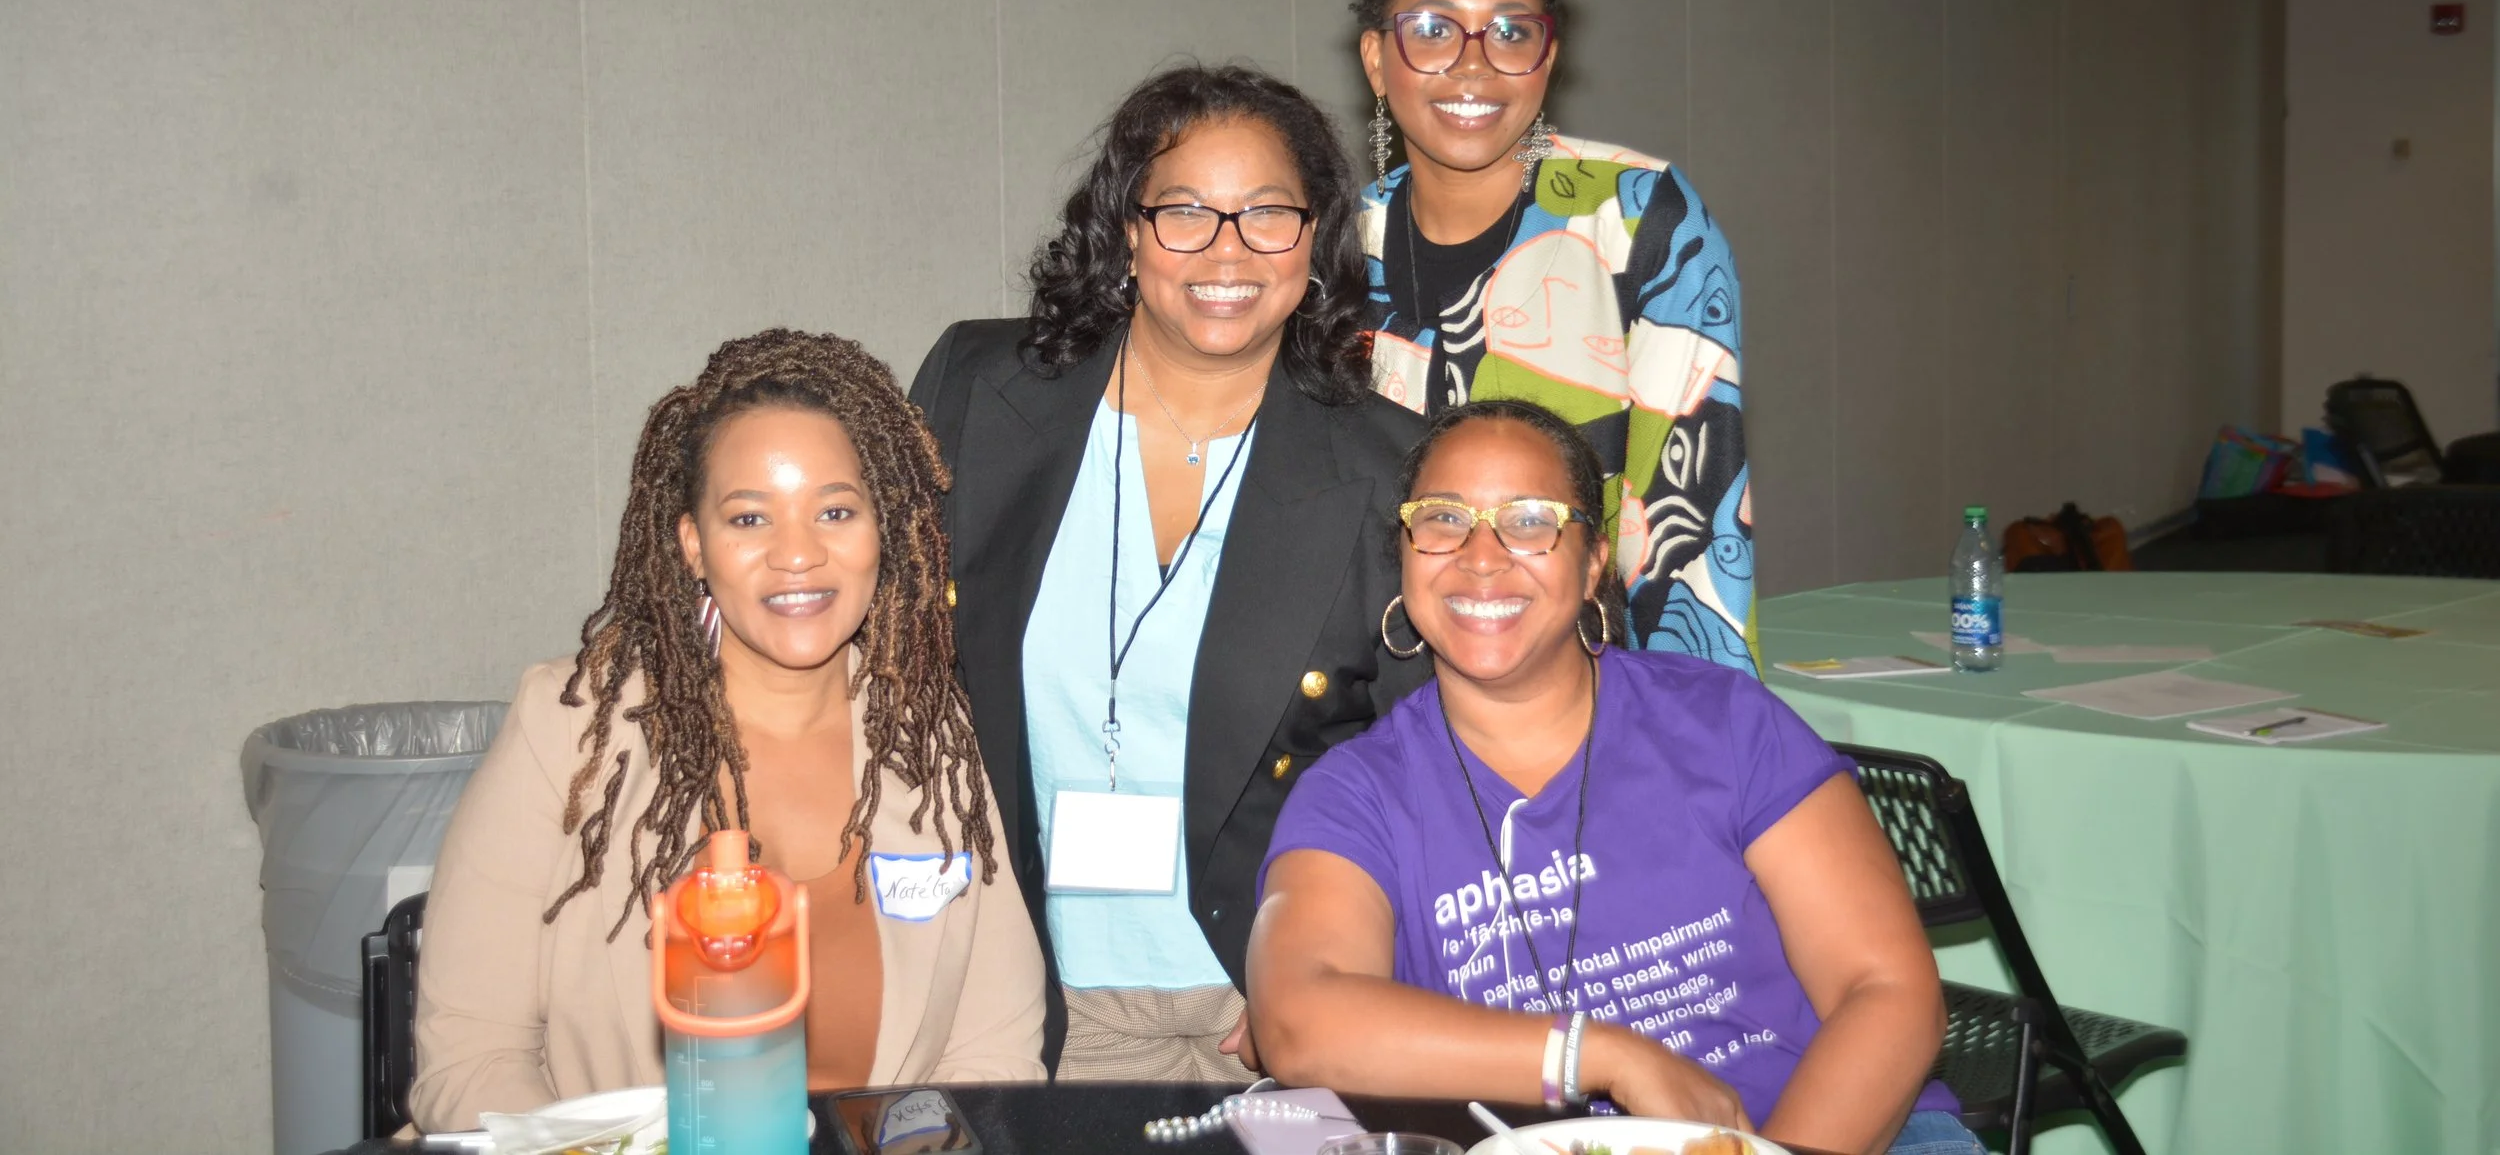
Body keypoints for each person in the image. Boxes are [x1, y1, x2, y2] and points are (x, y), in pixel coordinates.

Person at [1247, 400, 1974, 1155]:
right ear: (1405, 551)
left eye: (1530, 521)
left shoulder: (1724, 721)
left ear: (1594, 560)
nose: (1482, 556)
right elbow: (1298, 1017)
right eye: (1443, 518)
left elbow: (1888, 992)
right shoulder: (1357, 793)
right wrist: (1599, 1054)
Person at [911, 63, 1425, 1084]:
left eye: (1267, 214)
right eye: (1185, 211)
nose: (1226, 251)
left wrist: (1344, 968)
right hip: (1016, 1002)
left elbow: (1427, 759)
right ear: (1127, 232)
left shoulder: (1388, 467)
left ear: (1314, 239)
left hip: (1271, 1008)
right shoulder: (981, 392)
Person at [412, 331, 1044, 1131]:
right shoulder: (569, 729)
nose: (798, 556)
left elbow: (995, 1051)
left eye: (836, 511)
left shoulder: (929, 731)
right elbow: (471, 1057)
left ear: (883, 530)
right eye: (750, 518)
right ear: (693, 545)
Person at [1344, 0, 1755, 671]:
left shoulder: (1639, 223)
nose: (1472, 65)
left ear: (1549, 52)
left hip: (1586, 717)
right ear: (1377, 62)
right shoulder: (1338, 249)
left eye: (1509, 30)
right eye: (1431, 29)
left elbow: (1688, 550)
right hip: (1378, 715)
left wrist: (1682, 759)